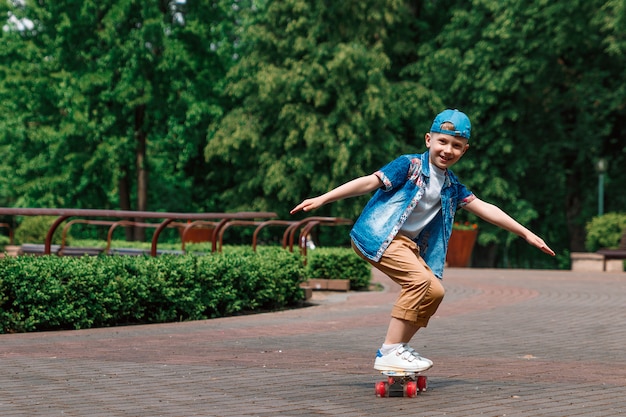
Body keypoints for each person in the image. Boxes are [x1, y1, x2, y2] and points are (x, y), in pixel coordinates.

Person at [290, 109, 555, 373]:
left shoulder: (452, 186)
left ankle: (398, 348)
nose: (448, 150)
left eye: (456, 146)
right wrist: (324, 198)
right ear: (429, 139)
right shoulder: (408, 166)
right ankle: (389, 350)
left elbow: (486, 208)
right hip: (380, 237)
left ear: (465, 150)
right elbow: (369, 182)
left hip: (406, 245)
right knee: (419, 283)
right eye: (442, 142)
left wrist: (526, 233)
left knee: (435, 292)